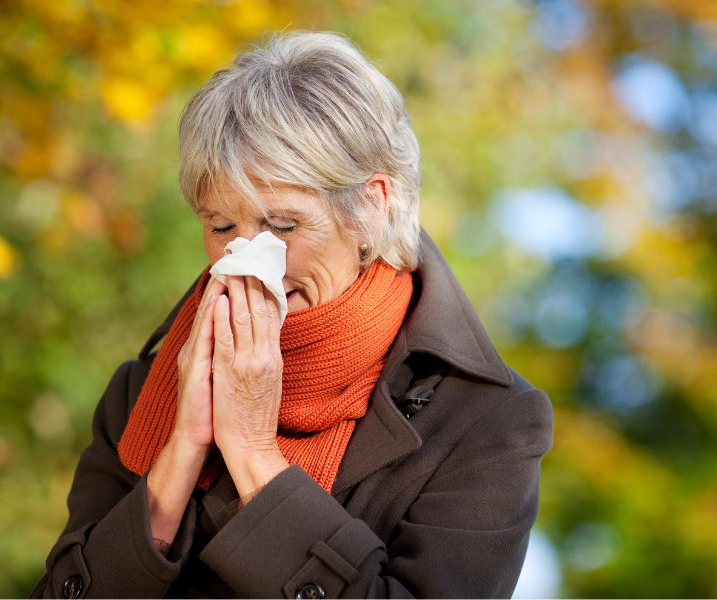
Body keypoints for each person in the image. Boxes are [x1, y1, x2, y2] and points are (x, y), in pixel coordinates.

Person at [31, 31, 553, 599]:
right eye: (221, 226)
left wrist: (254, 456)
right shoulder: (144, 392)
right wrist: (178, 457)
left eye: (282, 225)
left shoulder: (487, 422)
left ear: (373, 208)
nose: (250, 259)